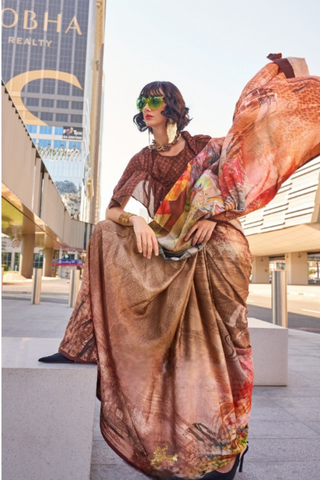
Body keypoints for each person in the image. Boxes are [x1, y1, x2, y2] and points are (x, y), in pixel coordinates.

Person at [39, 53, 320, 480]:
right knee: (102, 232)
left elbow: (245, 153)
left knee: (227, 348)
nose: (145, 108)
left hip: (212, 245)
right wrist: (135, 218)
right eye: (141, 102)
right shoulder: (143, 160)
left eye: (154, 100)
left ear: (172, 105)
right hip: (166, 247)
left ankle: (228, 449)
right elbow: (113, 210)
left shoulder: (201, 146)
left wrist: (211, 215)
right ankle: (82, 343)